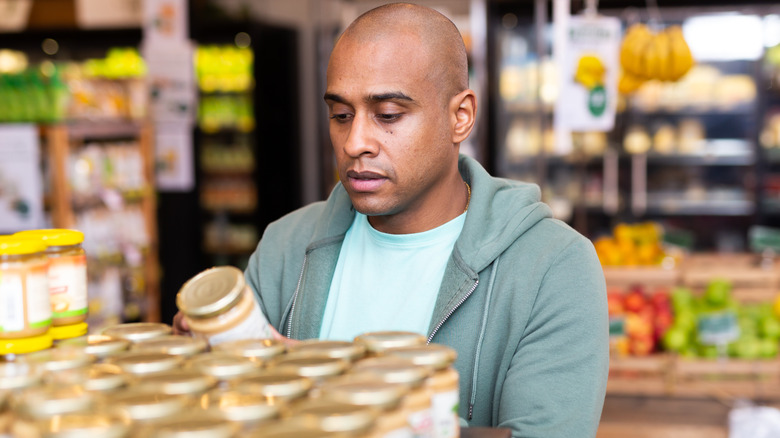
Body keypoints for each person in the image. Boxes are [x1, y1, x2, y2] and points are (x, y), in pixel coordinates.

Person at [175, 3, 608, 436]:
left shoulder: (554, 265)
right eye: (341, 115)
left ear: (461, 117)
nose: (355, 142)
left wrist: (338, 391)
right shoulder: (285, 244)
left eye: (388, 115)